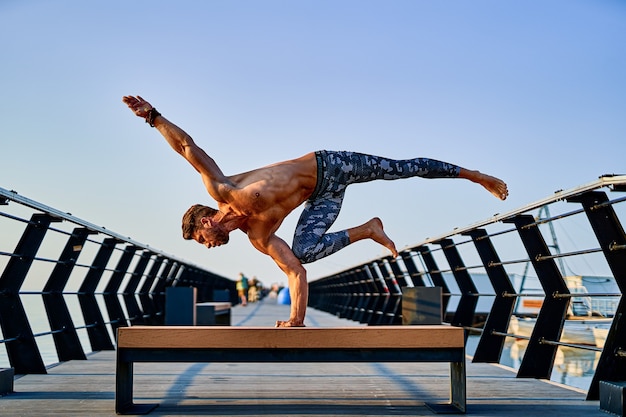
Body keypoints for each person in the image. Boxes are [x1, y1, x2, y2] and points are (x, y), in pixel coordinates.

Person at [122, 95, 509, 327]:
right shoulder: (258, 238)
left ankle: (474, 176)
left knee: (400, 168)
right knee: (302, 251)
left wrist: (154, 117)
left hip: (330, 166)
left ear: (206, 222)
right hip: (324, 200)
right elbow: (295, 271)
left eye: (202, 239)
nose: (208, 246)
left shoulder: (223, 187)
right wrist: (296, 320)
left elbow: (187, 147)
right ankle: (368, 229)